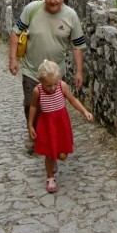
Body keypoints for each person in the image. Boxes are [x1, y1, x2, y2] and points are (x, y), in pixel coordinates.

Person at [8, 0, 86, 151]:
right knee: (31, 104)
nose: (53, 0)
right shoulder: (32, 9)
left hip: (56, 73)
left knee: (53, 107)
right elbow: (15, 33)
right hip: (32, 70)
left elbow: (77, 45)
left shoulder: (71, 16)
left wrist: (79, 71)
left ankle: (51, 137)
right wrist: (13, 59)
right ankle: (33, 134)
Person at [28, 60, 93, 193]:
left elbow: (73, 100)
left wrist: (85, 111)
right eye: (48, 85)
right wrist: (30, 125)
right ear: (40, 81)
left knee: (62, 155)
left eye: (54, 84)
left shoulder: (62, 86)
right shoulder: (37, 91)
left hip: (61, 125)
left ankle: (54, 159)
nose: (52, 88)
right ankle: (50, 178)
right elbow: (34, 106)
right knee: (49, 154)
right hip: (47, 125)